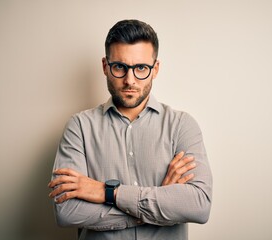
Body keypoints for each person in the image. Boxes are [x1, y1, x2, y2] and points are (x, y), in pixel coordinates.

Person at [48, 19, 212, 240]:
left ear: (155, 69)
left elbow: (198, 205)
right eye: (120, 67)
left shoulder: (182, 125)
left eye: (141, 68)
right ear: (105, 66)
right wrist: (157, 206)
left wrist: (106, 193)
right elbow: (67, 212)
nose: (130, 80)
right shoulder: (79, 127)